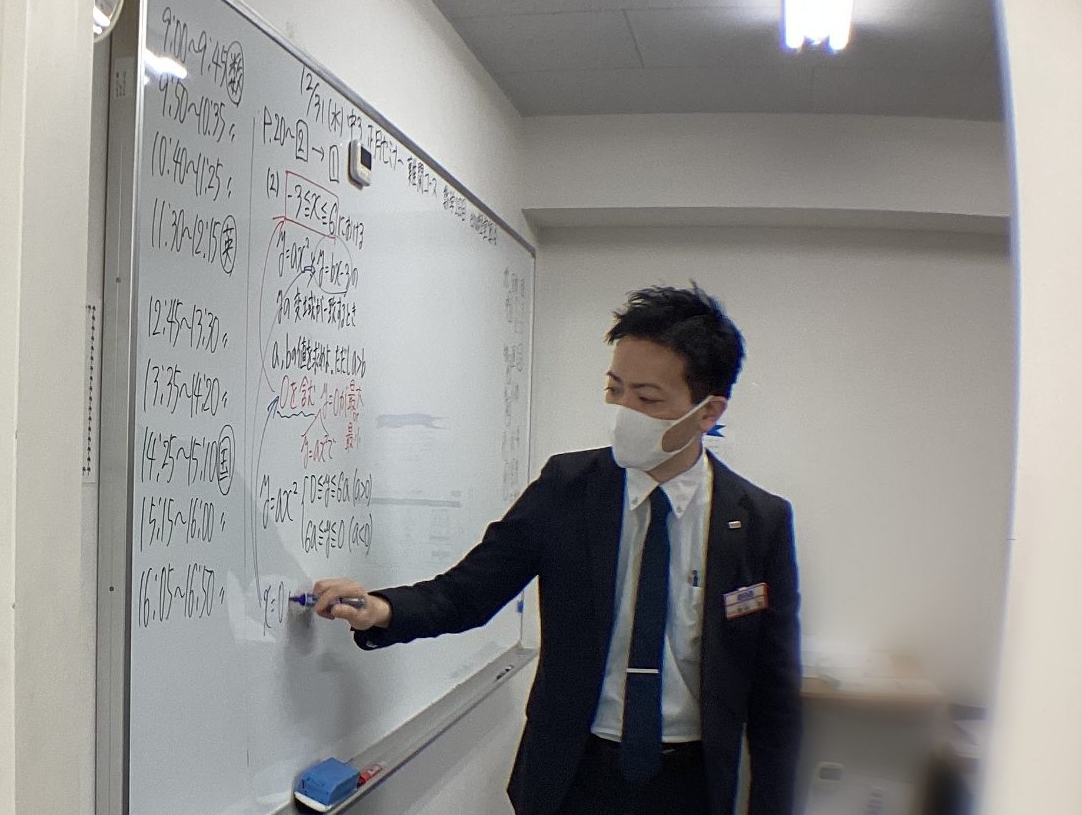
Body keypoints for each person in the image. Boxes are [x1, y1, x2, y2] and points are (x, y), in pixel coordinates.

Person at [313, 285, 802, 815]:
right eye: (615, 390)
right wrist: (381, 609)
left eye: (648, 399)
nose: (624, 412)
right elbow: (468, 593)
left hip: (690, 784)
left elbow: (773, 694)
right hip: (573, 775)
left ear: (708, 412)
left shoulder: (759, 522)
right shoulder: (568, 487)